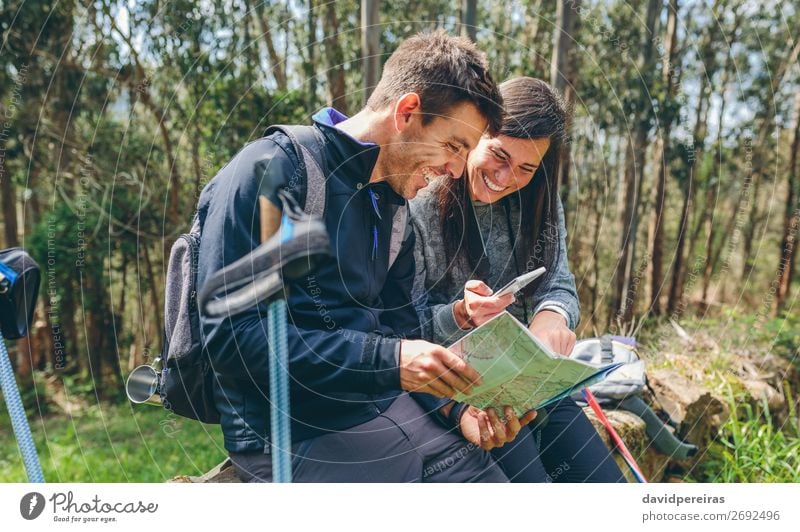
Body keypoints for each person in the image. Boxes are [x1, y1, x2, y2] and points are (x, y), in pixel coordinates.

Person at [196, 31, 513, 482]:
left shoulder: (393, 207)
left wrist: (453, 406)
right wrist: (388, 361)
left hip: (392, 414)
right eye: (453, 146)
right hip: (291, 434)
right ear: (407, 112)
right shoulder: (279, 171)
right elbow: (235, 339)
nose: (456, 170)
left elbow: (398, 328)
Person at [410, 76, 627, 482]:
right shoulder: (420, 200)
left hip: (533, 384)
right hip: (460, 391)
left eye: (526, 168)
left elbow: (559, 280)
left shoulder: (539, 202)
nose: (506, 178)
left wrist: (552, 316)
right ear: (477, 132)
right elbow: (400, 321)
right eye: (499, 156)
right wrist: (459, 315)